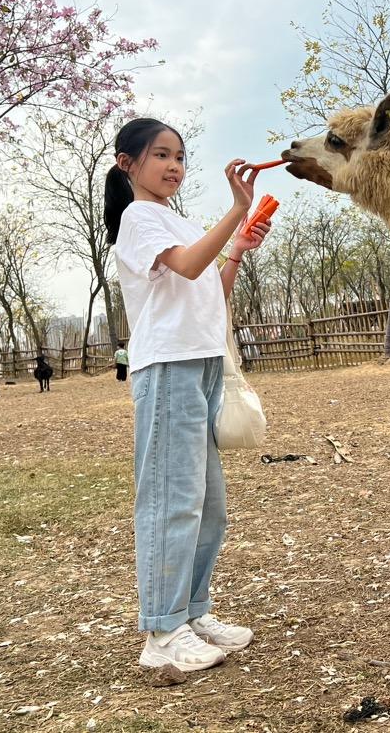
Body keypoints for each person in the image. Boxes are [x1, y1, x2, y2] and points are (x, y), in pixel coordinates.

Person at [103, 117, 271, 673]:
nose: (173, 166)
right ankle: (161, 631)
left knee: (209, 508)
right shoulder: (137, 218)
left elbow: (208, 292)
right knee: (172, 502)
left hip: (201, 363)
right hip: (168, 366)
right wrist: (237, 209)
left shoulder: (176, 220)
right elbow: (188, 263)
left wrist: (237, 247)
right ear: (128, 163)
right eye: (161, 155)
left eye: (179, 156)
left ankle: (192, 614)